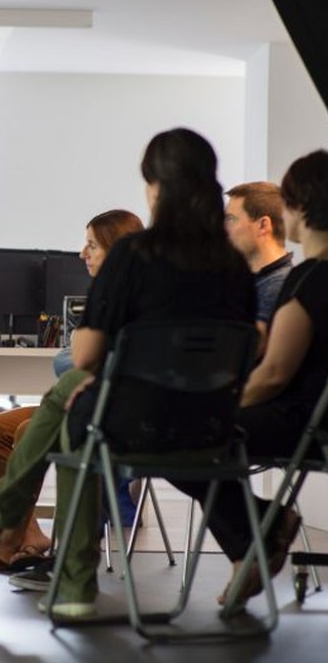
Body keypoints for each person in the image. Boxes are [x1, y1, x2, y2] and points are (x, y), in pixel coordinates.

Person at [0, 127, 257, 618]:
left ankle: (57, 569)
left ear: (156, 186)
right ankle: (19, 532)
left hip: (133, 425)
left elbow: (88, 352)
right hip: (216, 427)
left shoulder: (135, 255)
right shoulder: (235, 268)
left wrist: (97, 370)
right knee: (78, 403)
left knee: (76, 406)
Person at [171, 150, 328, 608]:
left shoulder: (310, 279)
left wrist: (217, 408)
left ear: (303, 206)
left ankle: (257, 533)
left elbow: (274, 374)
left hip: (298, 422)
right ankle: (261, 527)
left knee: (174, 434)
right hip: (308, 420)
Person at [0, 210, 144, 572]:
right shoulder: (106, 297)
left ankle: (9, 535)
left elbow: (82, 362)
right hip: (86, 404)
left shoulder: (132, 299)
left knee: (30, 430)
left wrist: (81, 354)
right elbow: (69, 361)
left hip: (113, 415)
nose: (81, 253)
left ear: (117, 250)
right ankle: (29, 534)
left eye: (91, 245)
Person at [224, 181, 293, 349]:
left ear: (263, 225)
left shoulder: (279, 284)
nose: (224, 229)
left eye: (231, 220)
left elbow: (248, 349)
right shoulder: (249, 280)